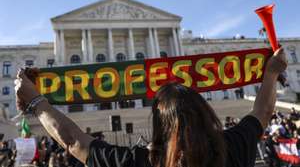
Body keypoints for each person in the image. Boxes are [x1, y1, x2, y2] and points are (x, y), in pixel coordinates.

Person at [14, 48, 287, 167]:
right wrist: (271, 74)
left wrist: (37, 101)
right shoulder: (233, 147)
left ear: (158, 123)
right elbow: (262, 112)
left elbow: (73, 141)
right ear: (205, 111)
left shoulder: (139, 161)